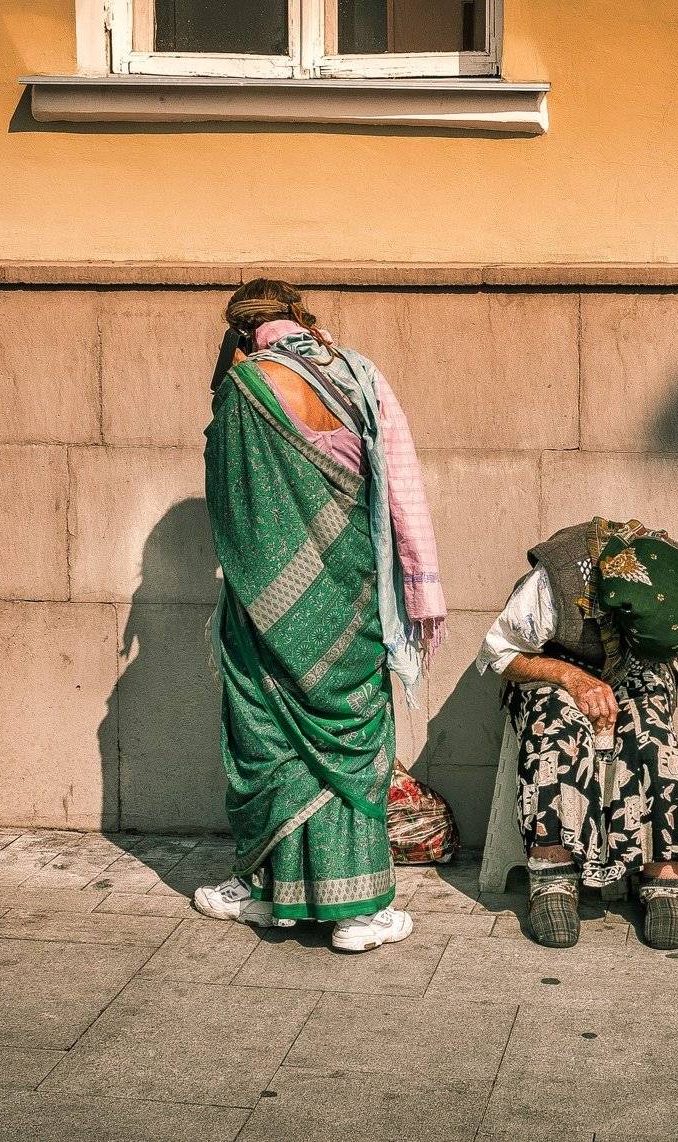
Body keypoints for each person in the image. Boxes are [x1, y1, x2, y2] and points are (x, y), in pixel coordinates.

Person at [195, 280, 447, 953]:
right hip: (353, 595)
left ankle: (267, 892)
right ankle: (357, 915)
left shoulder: (244, 391)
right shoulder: (360, 375)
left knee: (270, 738)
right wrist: (418, 589)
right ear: (300, 316)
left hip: (266, 606)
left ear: (241, 331)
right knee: (350, 739)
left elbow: (229, 505)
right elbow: (401, 483)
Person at [476, 518, 678, 950]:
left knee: (651, 730)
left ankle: (665, 874)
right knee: (558, 726)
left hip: (640, 669)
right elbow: (498, 653)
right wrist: (571, 678)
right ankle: (552, 871)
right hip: (555, 662)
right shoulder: (557, 581)